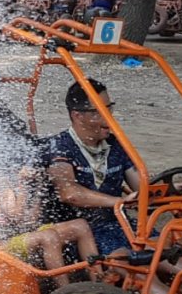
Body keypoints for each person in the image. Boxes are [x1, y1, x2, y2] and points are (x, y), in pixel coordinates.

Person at [44, 79, 141, 257]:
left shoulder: (115, 144)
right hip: (82, 234)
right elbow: (70, 193)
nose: (109, 118)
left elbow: (141, 186)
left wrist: (162, 190)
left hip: (119, 224)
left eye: (109, 109)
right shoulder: (58, 146)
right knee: (127, 260)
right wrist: (119, 202)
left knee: (166, 250)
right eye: (100, 112)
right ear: (78, 115)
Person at [0, 162, 100, 288]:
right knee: (48, 236)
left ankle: (99, 281)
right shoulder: (1, 183)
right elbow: (15, 216)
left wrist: (39, 184)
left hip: (22, 234)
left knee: (79, 226)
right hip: (0, 244)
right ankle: (65, 290)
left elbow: (31, 220)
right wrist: (23, 185)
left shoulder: (19, 186)